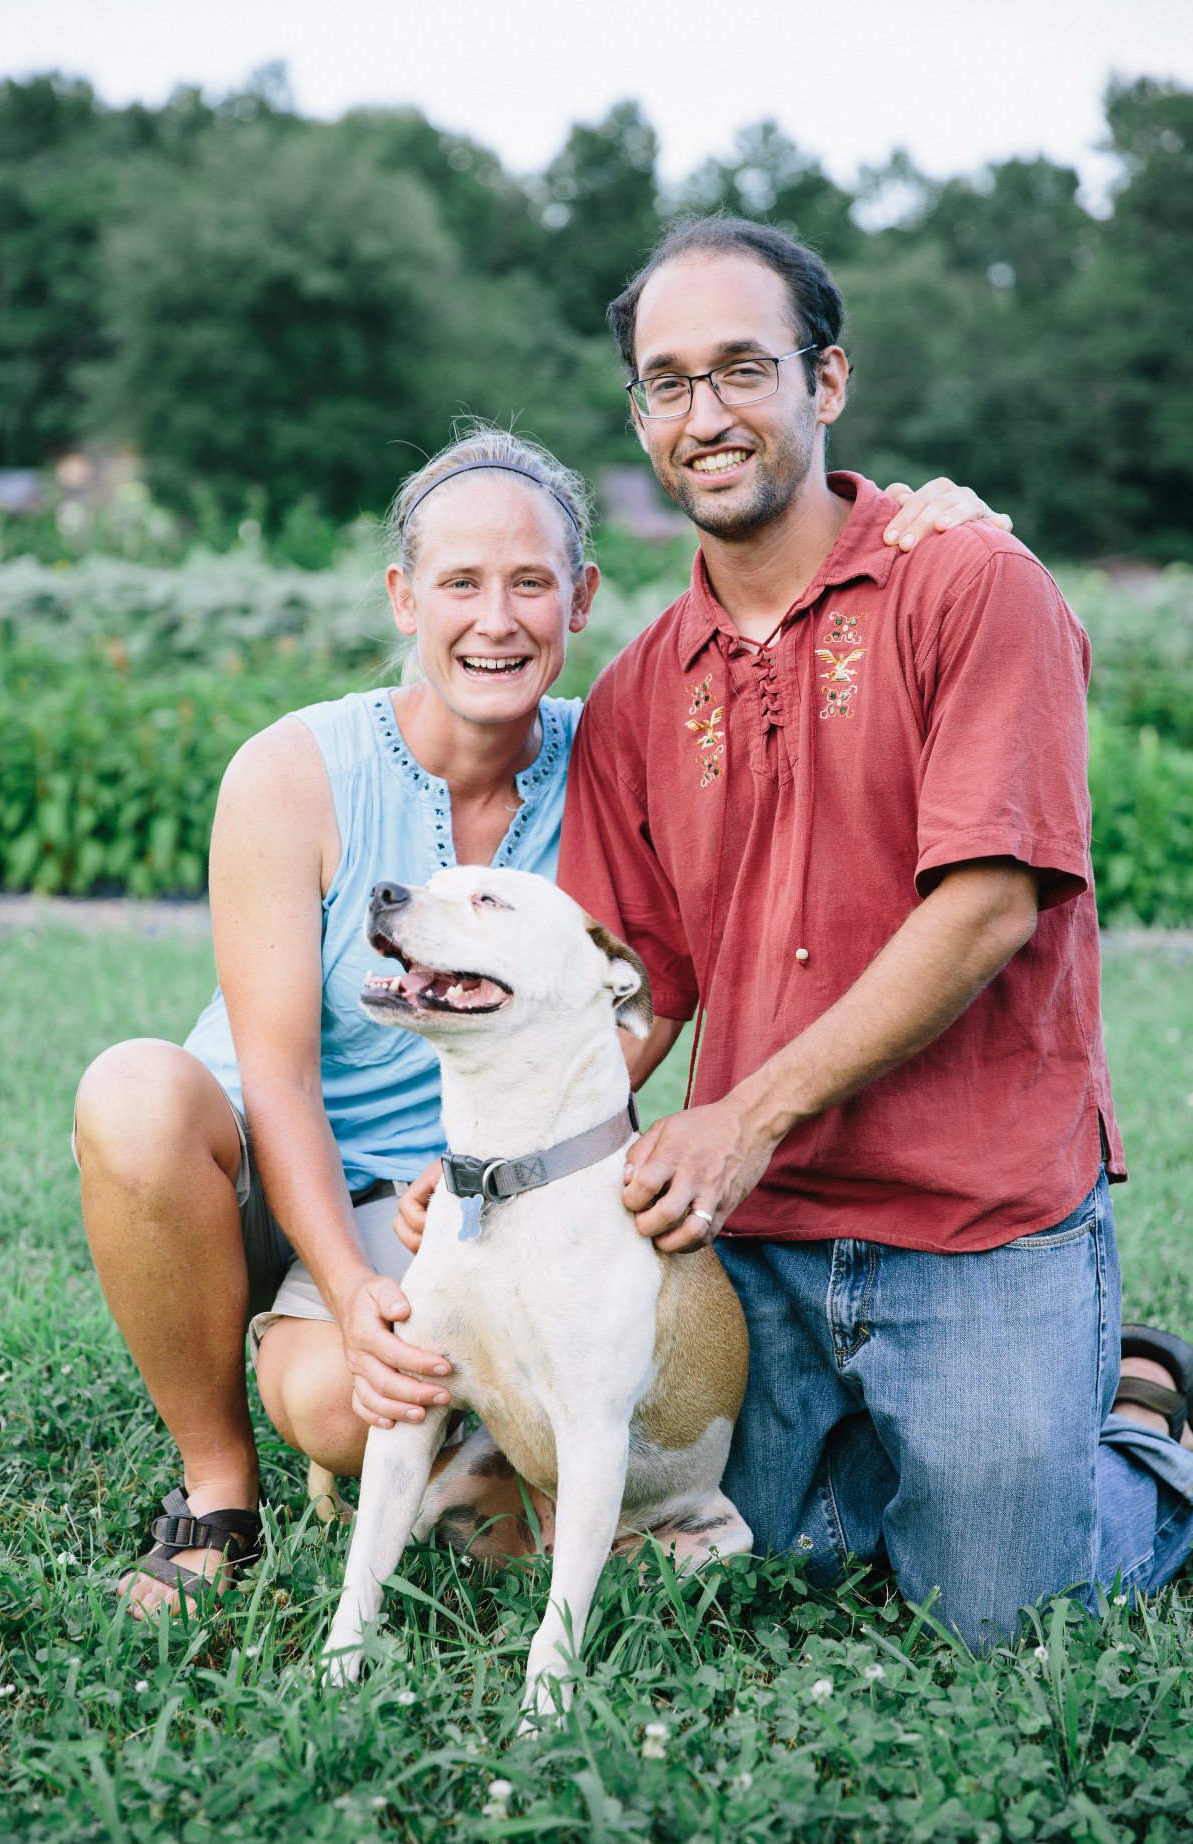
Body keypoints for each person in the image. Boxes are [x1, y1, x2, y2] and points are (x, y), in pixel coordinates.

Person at [74, 421, 1003, 1612]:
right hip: (272, 1168)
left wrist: (936, 538)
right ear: (405, 598)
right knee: (134, 1095)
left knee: (339, 1412)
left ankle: (489, 1486)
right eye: (459, 582)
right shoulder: (291, 772)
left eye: (530, 583)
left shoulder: (619, 759)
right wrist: (358, 1298)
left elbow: (652, 987)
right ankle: (217, 1494)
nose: (495, 618)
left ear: (582, 598)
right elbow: (282, 1080)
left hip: (482, 1205)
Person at [552, 215, 1193, 1648]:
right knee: (729, 1567)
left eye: (742, 370)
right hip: (759, 1240)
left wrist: (746, 1115)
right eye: (667, 383)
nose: (704, 416)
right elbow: (632, 990)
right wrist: (500, 1175)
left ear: (825, 380)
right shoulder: (638, 693)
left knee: (1002, 1619)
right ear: (641, 415)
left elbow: (986, 909)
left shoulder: (972, 584)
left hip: (977, 1216)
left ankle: (1144, 1434)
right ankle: (946, 1459)